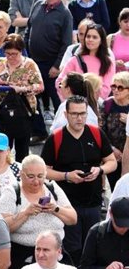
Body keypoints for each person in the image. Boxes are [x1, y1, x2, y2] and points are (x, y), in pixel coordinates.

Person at [43, 95, 117, 258]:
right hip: (67, 204)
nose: (79, 118)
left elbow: (112, 162)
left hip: (93, 202)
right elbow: (44, 171)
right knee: (72, 249)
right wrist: (67, 176)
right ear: (66, 115)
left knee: (93, 247)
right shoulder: (56, 138)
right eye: (74, 114)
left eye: (82, 113)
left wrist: (100, 170)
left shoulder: (96, 134)